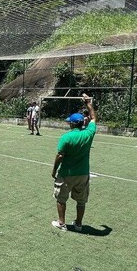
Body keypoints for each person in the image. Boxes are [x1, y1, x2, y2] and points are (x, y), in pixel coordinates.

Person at [51, 93, 97, 231]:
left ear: (72, 123)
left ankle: (61, 223)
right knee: (81, 201)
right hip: (83, 173)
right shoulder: (88, 134)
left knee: (61, 198)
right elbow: (94, 118)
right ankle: (78, 224)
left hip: (67, 173)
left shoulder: (66, 137)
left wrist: (54, 170)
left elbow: (60, 156)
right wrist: (88, 104)